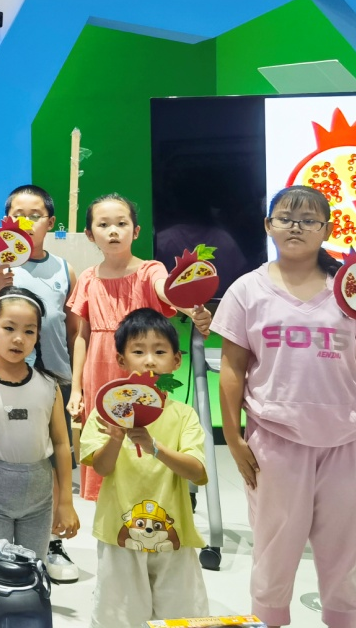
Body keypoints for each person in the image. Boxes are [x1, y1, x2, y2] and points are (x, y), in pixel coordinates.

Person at [214, 186, 356, 628]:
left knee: (345, 553)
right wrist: (234, 439)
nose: (296, 226)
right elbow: (232, 368)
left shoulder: (354, 287)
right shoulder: (246, 290)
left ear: (327, 229)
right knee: (274, 553)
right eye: (286, 217)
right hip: (276, 440)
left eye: (309, 220)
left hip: (349, 441)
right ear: (268, 225)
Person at [67, 194, 212, 502]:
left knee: (146, 435)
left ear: (135, 231)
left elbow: (167, 290)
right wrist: (76, 389)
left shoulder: (150, 269)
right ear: (90, 234)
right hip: (99, 371)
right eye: (103, 225)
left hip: (142, 368)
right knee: (107, 439)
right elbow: (81, 336)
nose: (113, 231)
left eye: (122, 223)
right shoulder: (88, 278)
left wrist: (191, 310)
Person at [80, 309, 209, 627]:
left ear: (176, 361)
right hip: (119, 534)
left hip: (174, 535)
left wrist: (155, 447)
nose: (149, 361)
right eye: (138, 352)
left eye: (160, 351)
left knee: (181, 615)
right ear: (121, 360)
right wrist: (115, 438)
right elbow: (101, 468)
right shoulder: (106, 412)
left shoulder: (184, 415)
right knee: (118, 617)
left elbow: (197, 472)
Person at [0, 184, 79, 581]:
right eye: (17, 214)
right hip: (10, 376)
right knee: (22, 452)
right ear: (6, 221)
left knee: (55, 452)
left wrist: (77, 383)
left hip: (54, 376)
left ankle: (52, 542)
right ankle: (10, 540)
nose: (25, 222)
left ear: (49, 222)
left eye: (34, 215)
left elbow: (73, 329)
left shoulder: (64, 268)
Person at [0, 287, 78, 570]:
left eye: (29, 331)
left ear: (38, 336)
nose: (19, 338)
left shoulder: (49, 385)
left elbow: (61, 444)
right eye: (9, 328)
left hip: (39, 495)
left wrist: (66, 502)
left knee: (34, 570)